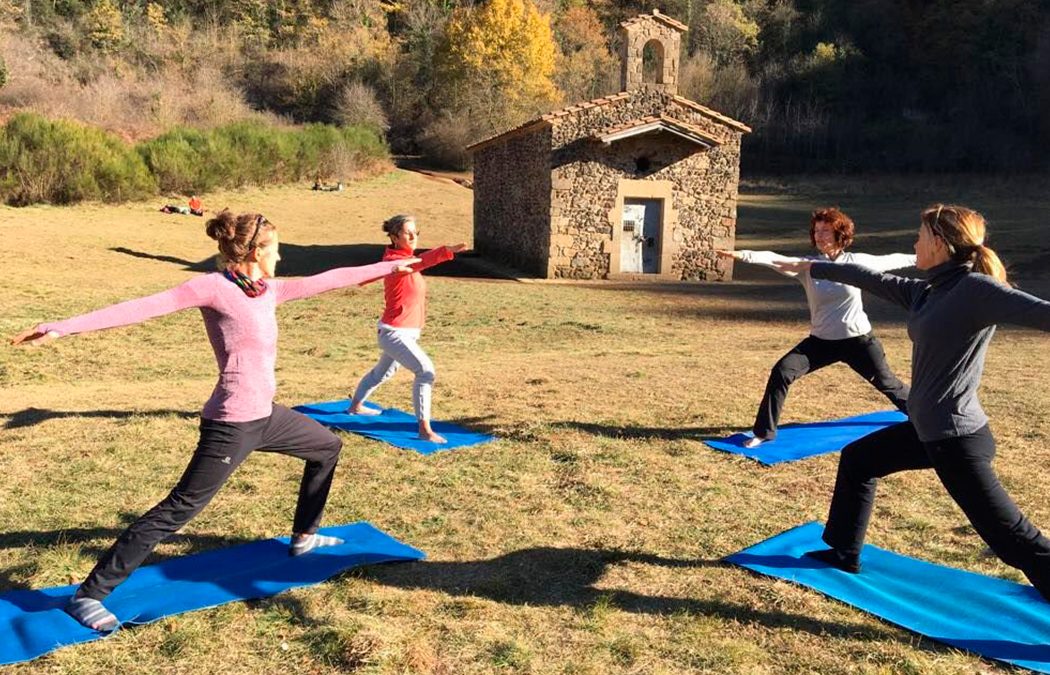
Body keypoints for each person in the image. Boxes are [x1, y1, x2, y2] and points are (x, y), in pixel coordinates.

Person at [11, 210, 418, 631]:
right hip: (232, 423)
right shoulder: (212, 288)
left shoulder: (267, 291)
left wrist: (391, 265)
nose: (280, 258)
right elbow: (142, 308)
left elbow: (331, 278)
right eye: (276, 250)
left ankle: (304, 536)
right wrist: (62, 327)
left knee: (327, 446)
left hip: (268, 415)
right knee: (178, 510)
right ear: (257, 252)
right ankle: (89, 594)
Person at [773, 204, 1050, 601]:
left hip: (955, 438)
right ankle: (843, 550)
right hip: (927, 430)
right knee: (858, 460)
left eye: (920, 236)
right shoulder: (929, 292)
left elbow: (1042, 313)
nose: (914, 243)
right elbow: (867, 276)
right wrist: (810, 266)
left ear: (939, 243)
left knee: (1012, 540)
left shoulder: (976, 290)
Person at [718, 208, 914, 448]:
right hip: (820, 342)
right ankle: (764, 432)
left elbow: (894, 260)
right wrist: (743, 254)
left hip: (858, 341)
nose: (819, 236)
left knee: (888, 383)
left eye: (826, 231)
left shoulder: (857, 262)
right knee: (782, 371)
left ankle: (924, 416)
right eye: (816, 231)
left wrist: (926, 257)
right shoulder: (808, 266)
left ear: (840, 234)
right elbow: (775, 258)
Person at [347, 214, 466, 443]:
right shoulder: (395, 262)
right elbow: (421, 262)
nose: (413, 236)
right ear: (393, 237)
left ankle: (355, 406)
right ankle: (424, 430)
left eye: (415, 232)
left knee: (383, 372)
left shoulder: (406, 259)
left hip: (402, 333)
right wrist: (446, 251)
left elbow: (417, 263)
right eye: (407, 232)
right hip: (394, 333)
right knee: (425, 371)